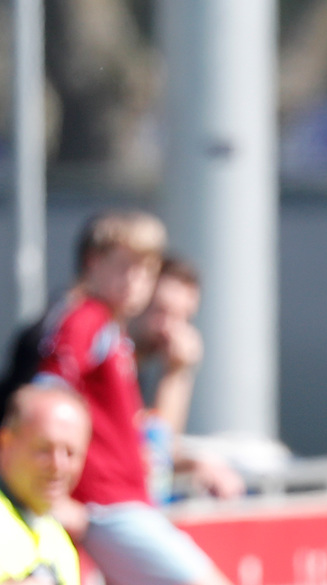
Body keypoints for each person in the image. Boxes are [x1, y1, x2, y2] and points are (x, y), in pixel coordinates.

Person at [31, 210, 233, 585]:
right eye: (125, 267)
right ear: (93, 263)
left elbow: (144, 439)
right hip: (108, 506)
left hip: (122, 503)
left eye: (145, 271)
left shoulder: (110, 329)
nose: (135, 282)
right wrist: (56, 499)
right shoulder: (85, 319)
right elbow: (45, 401)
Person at [127, 258, 243, 501]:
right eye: (161, 311)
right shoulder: (108, 358)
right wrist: (176, 375)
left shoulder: (143, 365)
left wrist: (196, 463)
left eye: (183, 317)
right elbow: (153, 455)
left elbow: (160, 451)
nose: (170, 329)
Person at [0, 385, 90, 585]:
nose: (58, 466)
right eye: (43, 450)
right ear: (5, 443)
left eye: (70, 453)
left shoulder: (61, 544)